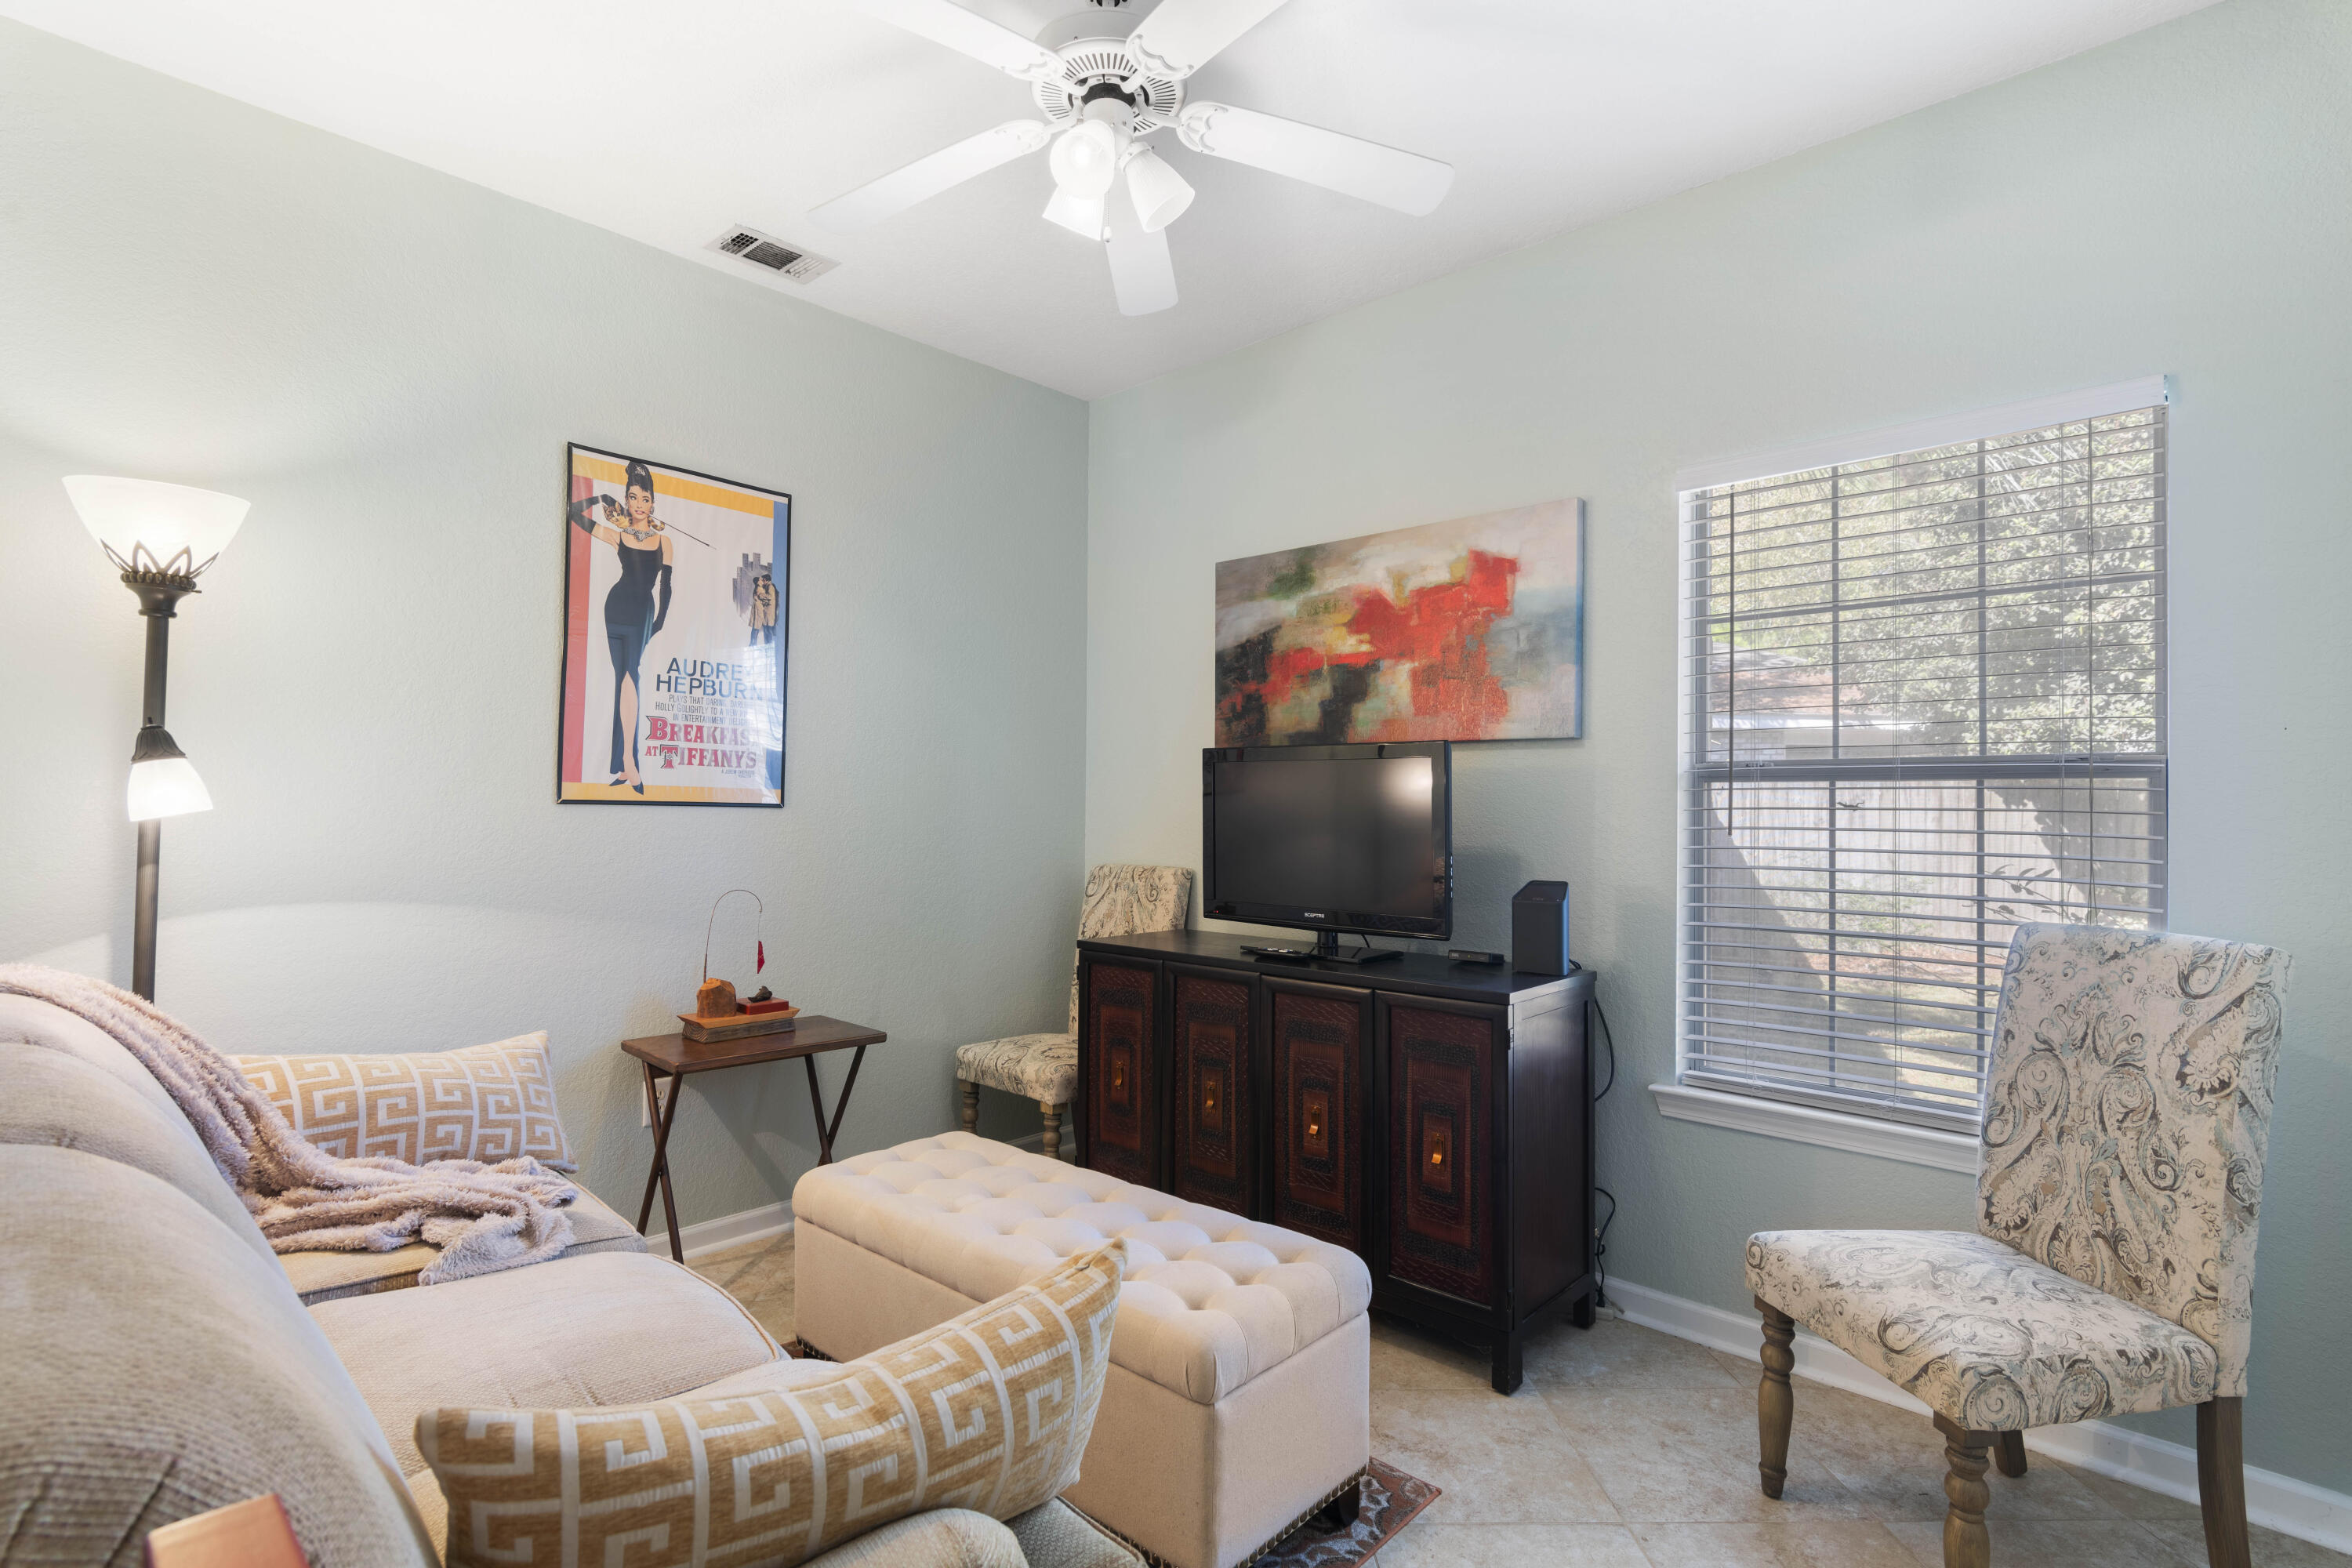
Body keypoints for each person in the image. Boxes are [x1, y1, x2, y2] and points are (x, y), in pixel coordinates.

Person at [568, 460, 673, 793]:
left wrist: (659, 622)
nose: (638, 505)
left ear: (652, 504)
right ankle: (626, 766)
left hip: (643, 612)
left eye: (644, 499)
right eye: (632, 498)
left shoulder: (664, 542)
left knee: (631, 675)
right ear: (626, 501)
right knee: (622, 680)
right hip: (614, 610)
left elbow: (666, 587)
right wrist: (598, 497)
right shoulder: (619, 536)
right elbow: (574, 515)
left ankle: (628, 761)